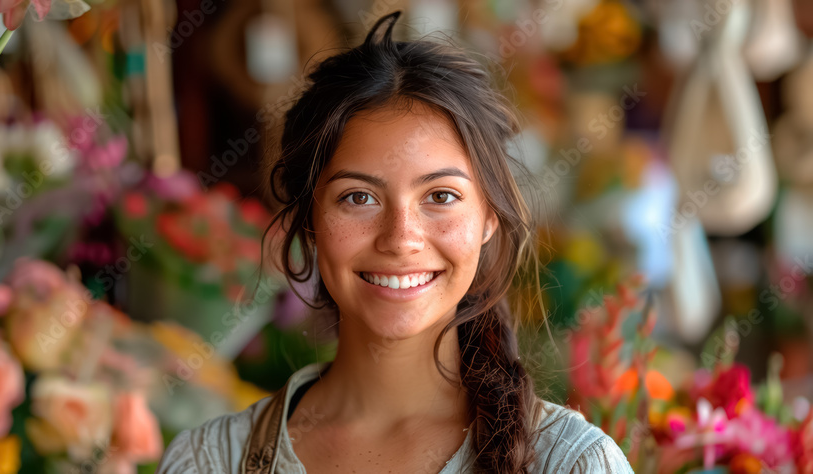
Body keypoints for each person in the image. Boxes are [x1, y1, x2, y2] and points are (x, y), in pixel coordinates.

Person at [158, 11, 634, 473]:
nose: (401, 238)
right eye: (359, 197)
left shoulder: (573, 462)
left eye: (441, 196)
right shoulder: (211, 461)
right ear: (308, 221)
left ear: (490, 216)